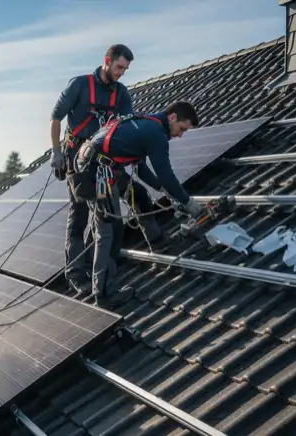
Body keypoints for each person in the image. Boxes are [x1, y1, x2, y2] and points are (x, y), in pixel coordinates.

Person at [50, 44, 166, 295]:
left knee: (117, 207)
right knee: (79, 214)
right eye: (119, 67)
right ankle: (76, 275)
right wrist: (56, 152)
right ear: (106, 61)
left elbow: (127, 128)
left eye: (125, 69)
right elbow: (56, 118)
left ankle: (105, 269)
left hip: (105, 161)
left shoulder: (122, 94)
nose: (122, 73)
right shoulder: (79, 85)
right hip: (77, 159)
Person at [73, 101, 204, 309]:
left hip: (102, 164)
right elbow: (165, 173)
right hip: (95, 171)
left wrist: (163, 191)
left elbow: (142, 170)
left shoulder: (147, 124)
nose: (180, 135)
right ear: (172, 118)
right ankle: (103, 293)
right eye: (182, 129)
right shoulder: (156, 133)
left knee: (139, 194)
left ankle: (157, 241)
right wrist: (187, 201)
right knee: (109, 229)